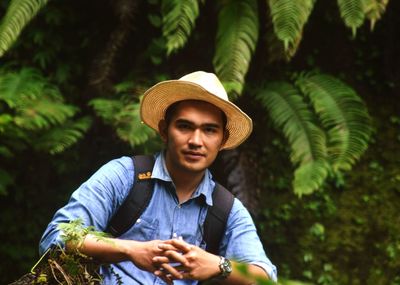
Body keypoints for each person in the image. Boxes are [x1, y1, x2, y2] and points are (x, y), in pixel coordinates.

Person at [39, 71, 277, 284]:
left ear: (223, 140)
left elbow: (265, 277)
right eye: (184, 127)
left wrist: (216, 265)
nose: (196, 141)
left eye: (209, 130)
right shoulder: (124, 176)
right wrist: (130, 250)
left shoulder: (227, 209)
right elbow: (55, 237)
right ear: (164, 130)